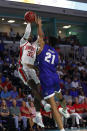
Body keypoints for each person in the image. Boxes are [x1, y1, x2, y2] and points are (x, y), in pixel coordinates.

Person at [36, 18, 70, 131]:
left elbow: (40, 36)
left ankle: (62, 129)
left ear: (48, 42)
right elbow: (52, 65)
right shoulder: (56, 54)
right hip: (55, 77)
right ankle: (65, 109)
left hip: (46, 78)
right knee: (60, 96)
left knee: (53, 107)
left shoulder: (43, 47)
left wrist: (39, 25)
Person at [18, 13, 50, 112]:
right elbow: (27, 33)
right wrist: (29, 22)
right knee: (33, 87)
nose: (30, 35)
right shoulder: (23, 42)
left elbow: (41, 38)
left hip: (31, 69)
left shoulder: (35, 46)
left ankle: (38, 111)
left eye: (32, 35)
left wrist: (39, 26)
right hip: (23, 69)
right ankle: (44, 103)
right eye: (29, 35)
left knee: (39, 86)